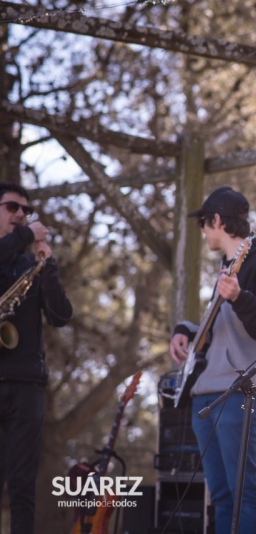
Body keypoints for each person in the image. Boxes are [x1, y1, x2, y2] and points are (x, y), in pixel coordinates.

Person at [169, 186, 256, 533]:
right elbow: (220, 329)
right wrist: (184, 330)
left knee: (245, 492)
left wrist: (239, 296)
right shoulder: (227, 266)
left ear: (217, 220)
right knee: (220, 495)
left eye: (205, 223)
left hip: (239, 393)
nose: (203, 231)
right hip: (207, 393)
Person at [0, 182, 72, 534]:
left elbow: (61, 315)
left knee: (23, 485)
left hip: (28, 385)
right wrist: (27, 233)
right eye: (11, 207)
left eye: (25, 211)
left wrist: (49, 264)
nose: (19, 215)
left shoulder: (32, 263)